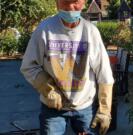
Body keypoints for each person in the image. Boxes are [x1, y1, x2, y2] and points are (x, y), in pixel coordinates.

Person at [20, 0, 114, 135]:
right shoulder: (44, 30)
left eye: (75, 2)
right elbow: (28, 66)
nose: (70, 8)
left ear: (84, 2)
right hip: (52, 109)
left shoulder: (90, 32)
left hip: (85, 107)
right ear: (57, 3)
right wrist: (48, 89)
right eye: (65, 2)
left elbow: (104, 73)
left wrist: (105, 110)